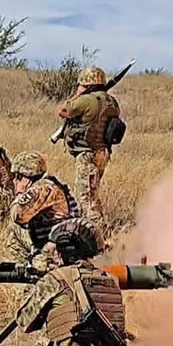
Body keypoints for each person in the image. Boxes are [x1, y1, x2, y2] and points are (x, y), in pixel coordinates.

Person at [13, 217, 131, 346]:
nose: (56, 256)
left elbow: (24, 321)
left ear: (66, 250)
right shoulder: (110, 280)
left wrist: (36, 285)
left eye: (58, 251)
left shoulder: (56, 279)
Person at [56, 67, 122, 239]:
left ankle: (102, 238)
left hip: (87, 154)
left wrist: (78, 95)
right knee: (93, 195)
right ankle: (97, 234)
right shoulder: (112, 102)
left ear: (86, 84)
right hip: (103, 153)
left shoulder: (86, 100)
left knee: (85, 199)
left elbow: (63, 111)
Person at [4, 151, 79, 276]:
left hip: (59, 250)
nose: (15, 181)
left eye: (18, 177)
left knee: (14, 228)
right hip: (61, 243)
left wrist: (20, 194)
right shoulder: (49, 184)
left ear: (26, 177)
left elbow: (17, 215)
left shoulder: (42, 188)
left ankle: (30, 272)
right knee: (15, 232)